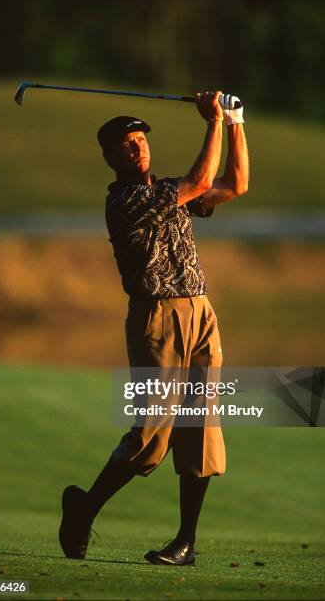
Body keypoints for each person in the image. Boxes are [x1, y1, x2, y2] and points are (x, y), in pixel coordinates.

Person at [59, 91, 249, 566]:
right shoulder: (127, 200)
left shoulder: (170, 192)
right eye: (127, 144)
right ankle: (84, 508)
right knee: (150, 434)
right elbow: (202, 177)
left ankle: (185, 542)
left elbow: (235, 184)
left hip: (200, 314)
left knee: (200, 428)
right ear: (110, 157)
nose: (138, 147)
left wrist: (235, 122)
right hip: (157, 320)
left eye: (141, 139)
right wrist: (210, 122)